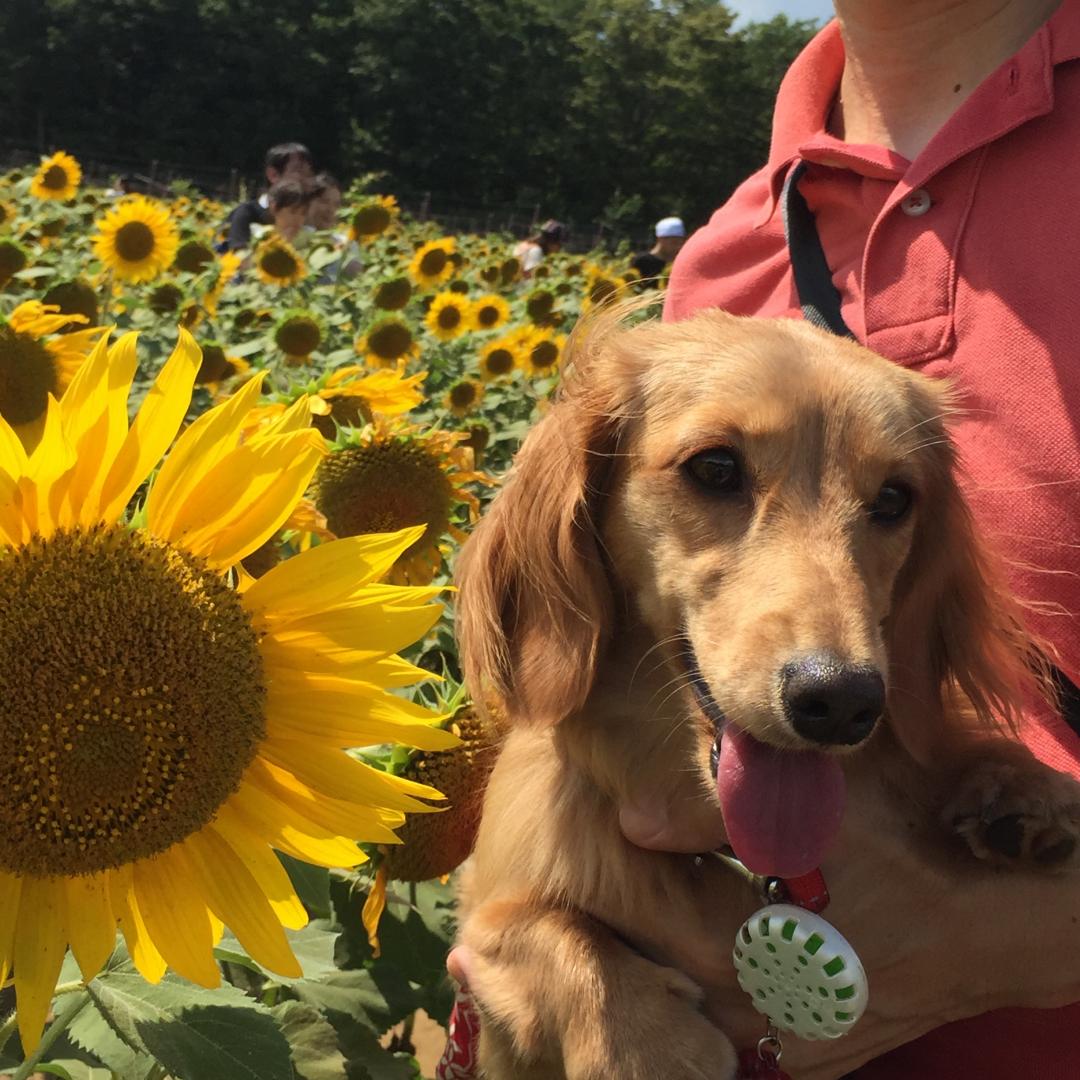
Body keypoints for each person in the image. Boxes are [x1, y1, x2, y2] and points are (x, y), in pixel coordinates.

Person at [450, 1, 1080, 1077]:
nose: (838, 664)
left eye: (888, 506)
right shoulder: (728, 251)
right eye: (714, 475)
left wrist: (999, 942)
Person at [222, 141, 314, 251]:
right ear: (273, 175)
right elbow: (237, 258)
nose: (305, 179)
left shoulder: (309, 219)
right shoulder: (246, 214)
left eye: (308, 172)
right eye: (298, 171)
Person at [630, 215, 686, 289]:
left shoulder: (682, 263)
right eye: (674, 242)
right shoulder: (642, 261)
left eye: (680, 243)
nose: (678, 247)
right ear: (661, 239)